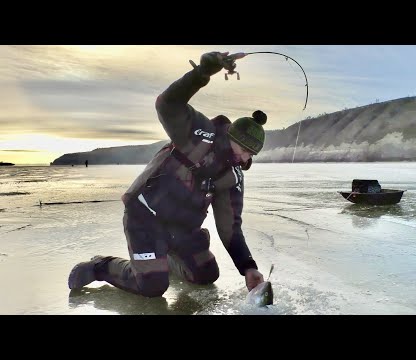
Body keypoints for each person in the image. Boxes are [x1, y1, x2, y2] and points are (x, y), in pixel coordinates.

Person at [68, 51, 267, 297]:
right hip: (145, 219)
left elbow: (230, 227)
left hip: (183, 230)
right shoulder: (198, 132)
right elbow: (167, 103)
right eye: (244, 150)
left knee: (206, 275)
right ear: (231, 137)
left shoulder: (233, 176)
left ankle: (164, 261)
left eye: (251, 155)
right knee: (152, 287)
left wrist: (248, 266)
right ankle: (101, 266)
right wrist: (201, 73)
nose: (245, 159)